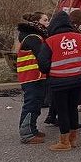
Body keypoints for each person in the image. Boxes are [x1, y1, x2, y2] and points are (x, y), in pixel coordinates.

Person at [37, 11, 81, 151]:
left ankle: (64, 142)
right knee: (72, 109)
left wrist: (51, 71)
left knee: (62, 110)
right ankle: (73, 139)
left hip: (59, 81)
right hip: (77, 79)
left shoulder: (51, 41)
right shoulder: (79, 37)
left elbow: (42, 63)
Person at [16, 11, 50, 144]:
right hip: (31, 76)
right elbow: (42, 56)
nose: (48, 23)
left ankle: (32, 128)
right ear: (38, 22)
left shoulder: (35, 36)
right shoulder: (33, 37)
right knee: (31, 103)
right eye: (45, 20)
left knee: (36, 103)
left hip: (36, 76)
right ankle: (27, 133)